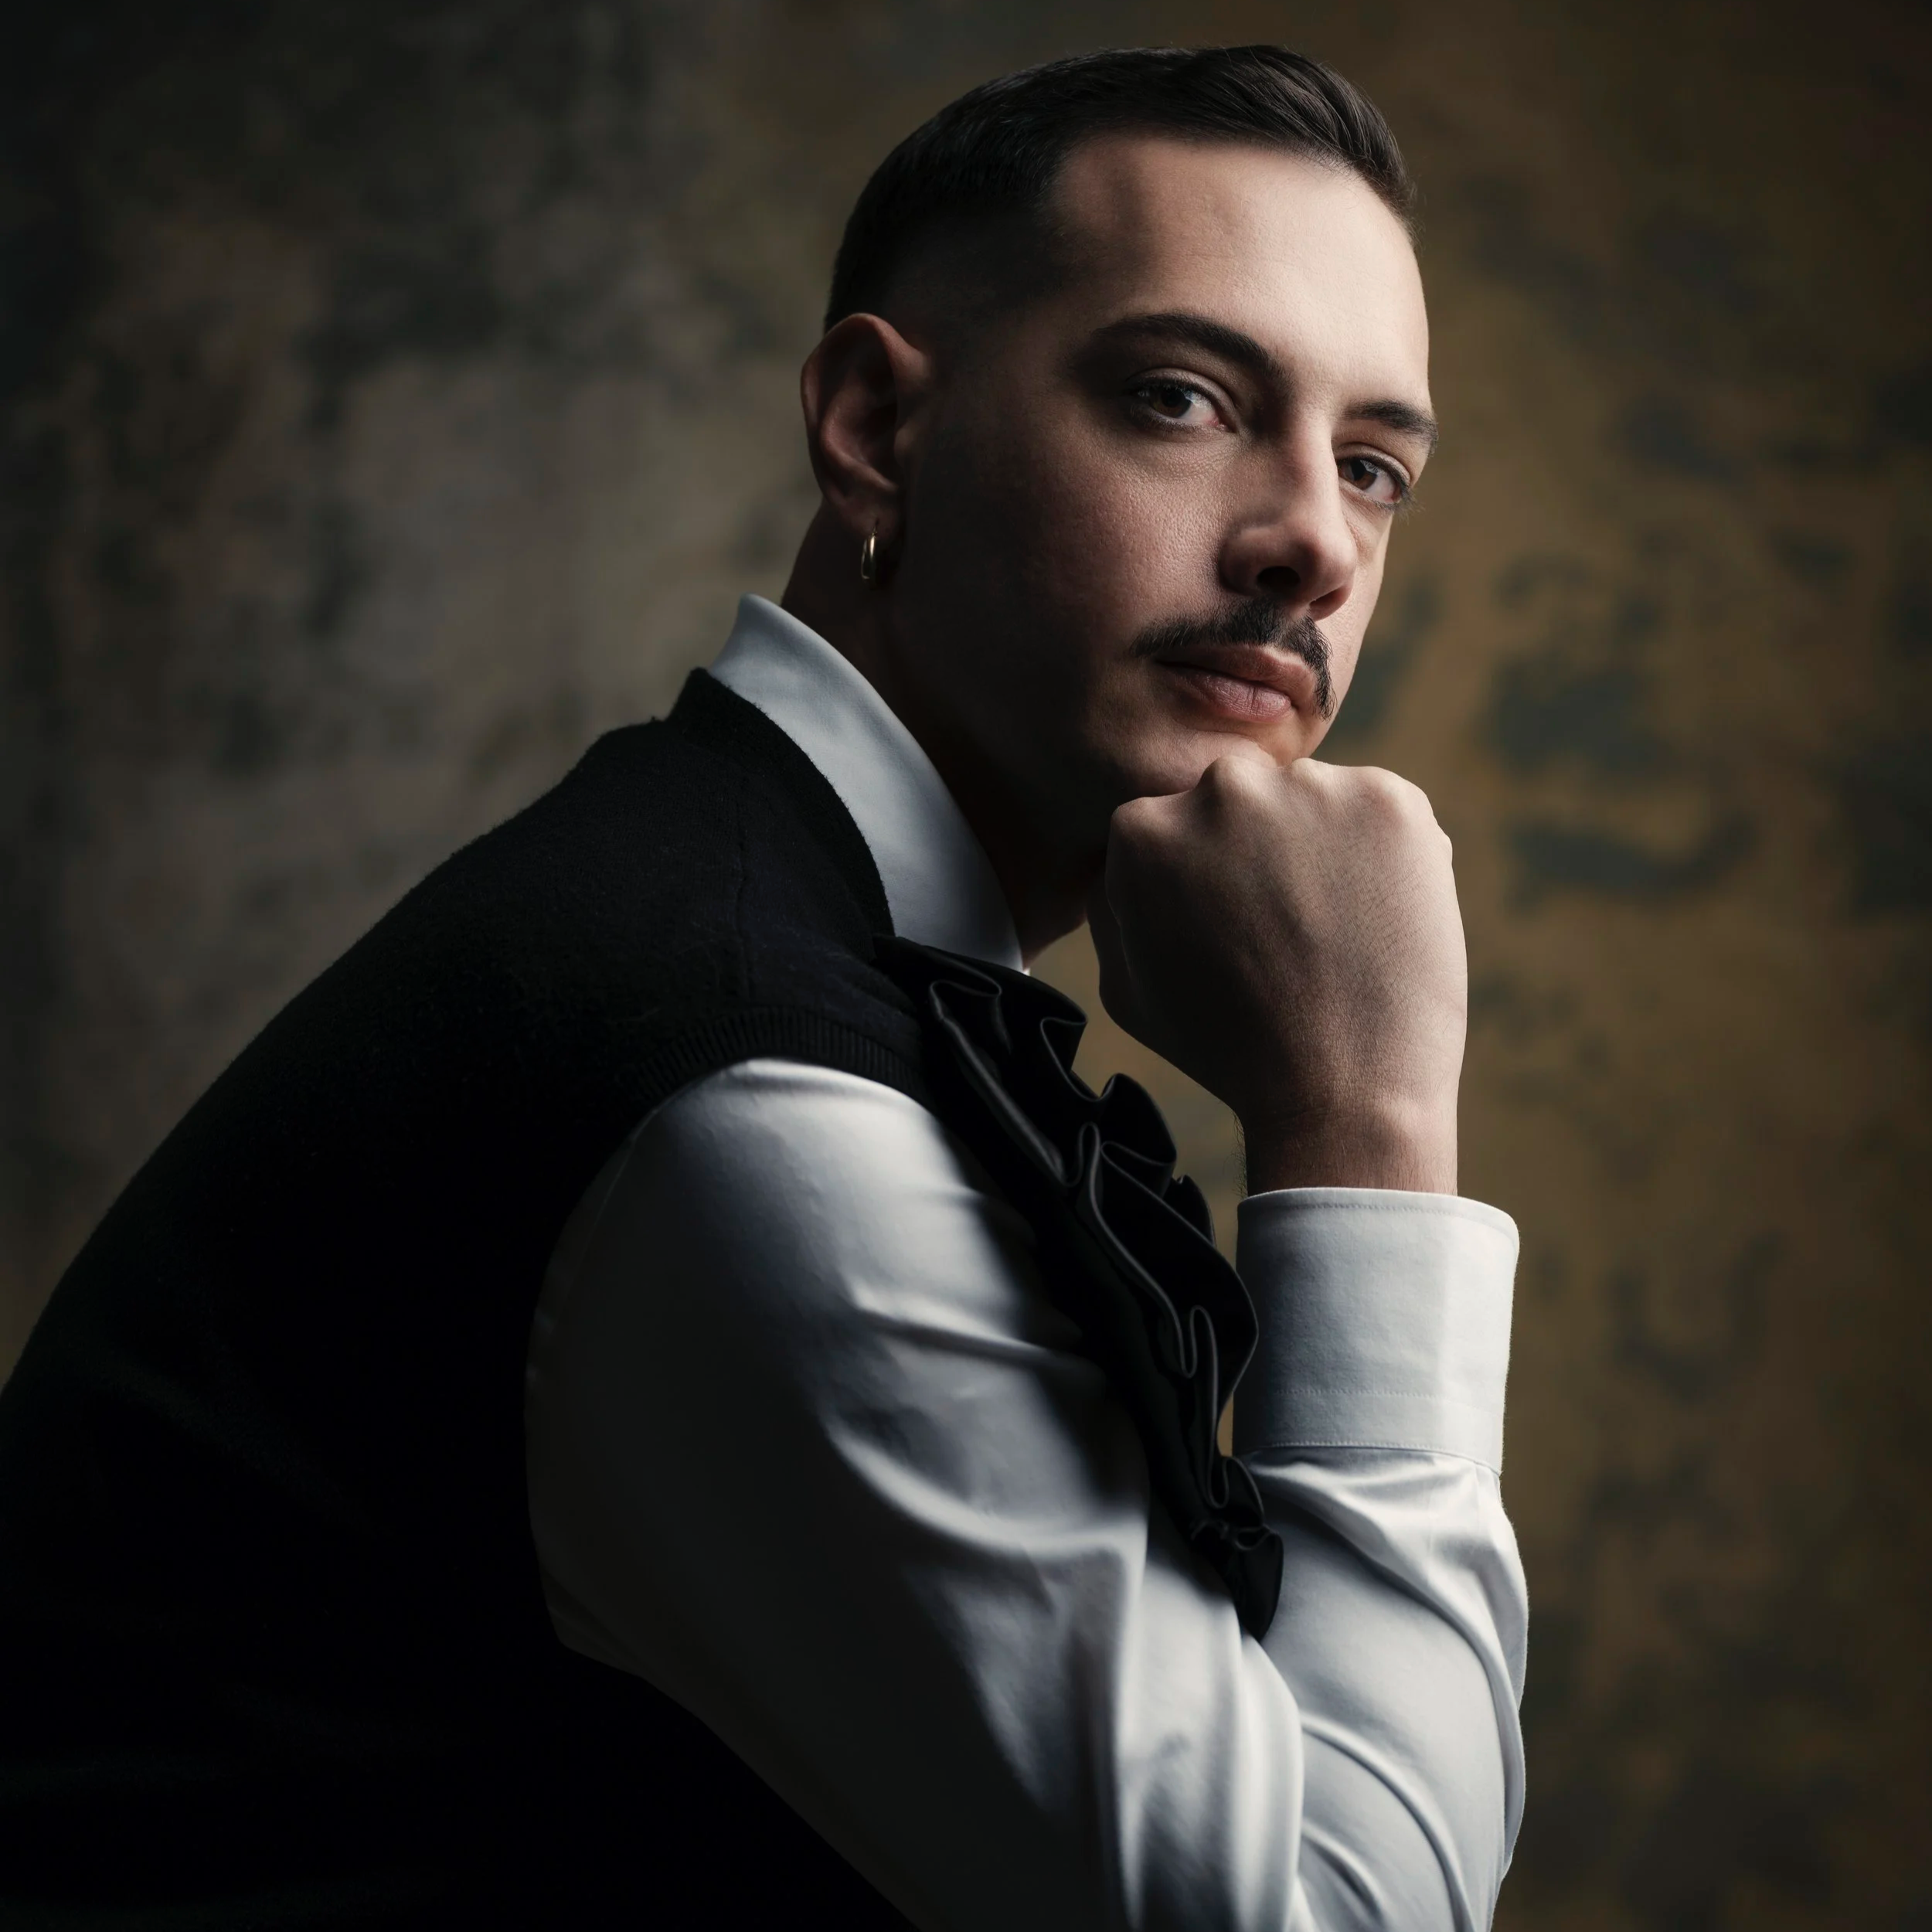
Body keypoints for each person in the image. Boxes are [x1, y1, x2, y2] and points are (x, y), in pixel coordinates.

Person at [0, 44, 1526, 1932]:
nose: (1312, 538)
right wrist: (1366, 1126)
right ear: (874, 429)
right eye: (1182, 399)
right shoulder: (740, 1087)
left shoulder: (772, 936)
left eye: (1370, 463)